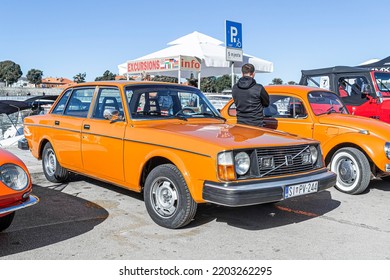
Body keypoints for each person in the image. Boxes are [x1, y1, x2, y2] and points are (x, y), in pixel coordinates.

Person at [232, 63, 270, 127]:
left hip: (241, 124)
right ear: (253, 74)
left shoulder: (235, 87)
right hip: (256, 125)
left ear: (242, 73)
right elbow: (266, 103)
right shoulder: (259, 88)